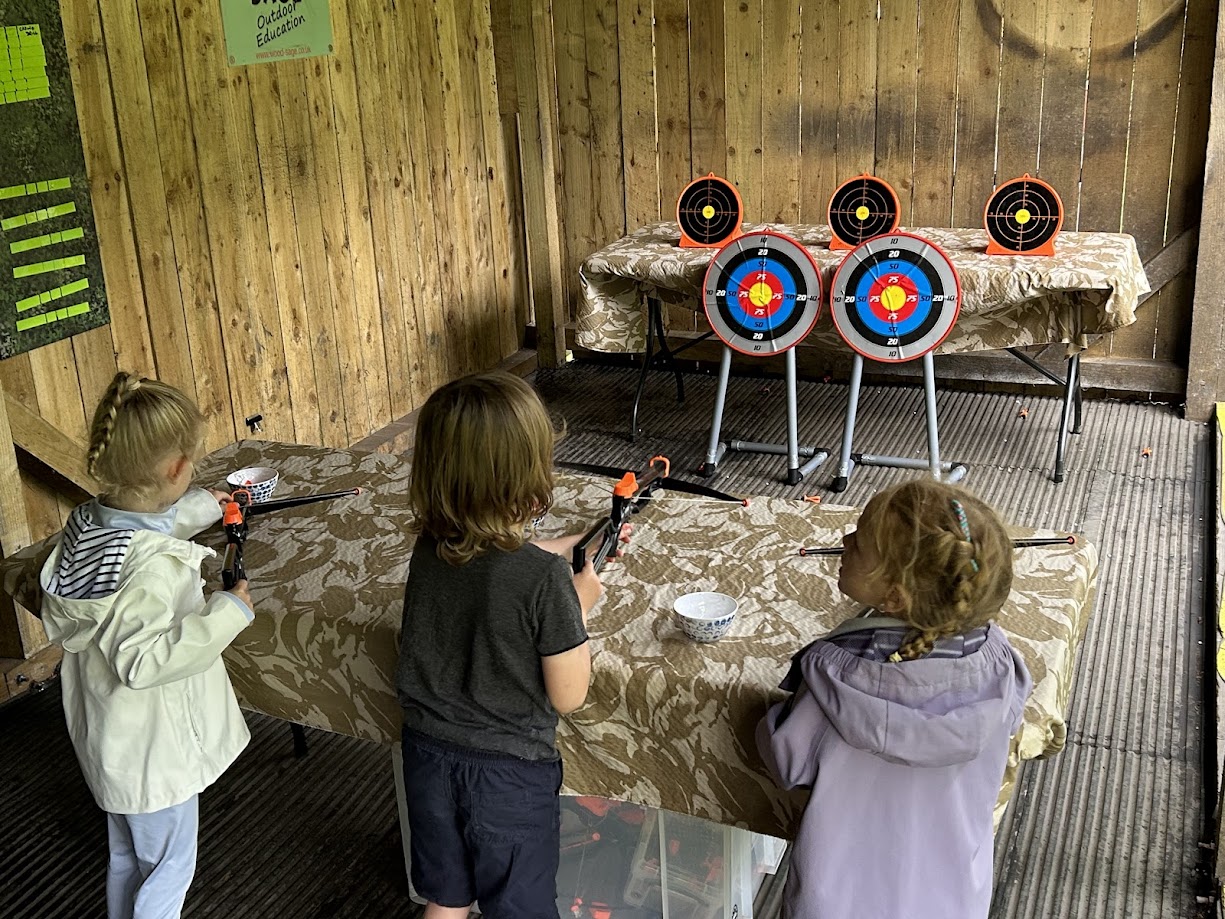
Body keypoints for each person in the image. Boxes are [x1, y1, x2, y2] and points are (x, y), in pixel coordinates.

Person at [756, 480, 1033, 919]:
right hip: (953, 897)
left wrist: (768, 717)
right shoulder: (999, 661)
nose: (846, 540)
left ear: (895, 596)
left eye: (860, 542)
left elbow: (788, 764)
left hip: (837, 900)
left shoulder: (835, 676)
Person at [396, 371, 616, 918]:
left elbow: (487, 561)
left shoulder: (430, 548)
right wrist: (578, 602)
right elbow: (568, 695)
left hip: (427, 758)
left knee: (445, 900)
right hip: (507, 778)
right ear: (531, 476)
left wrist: (560, 547)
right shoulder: (544, 583)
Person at [39, 371, 254, 919]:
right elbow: (145, 658)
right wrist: (228, 612)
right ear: (177, 468)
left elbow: (147, 525)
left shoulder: (91, 523)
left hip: (114, 742)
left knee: (126, 858)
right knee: (169, 870)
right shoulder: (150, 568)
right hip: (156, 752)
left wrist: (207, 505)